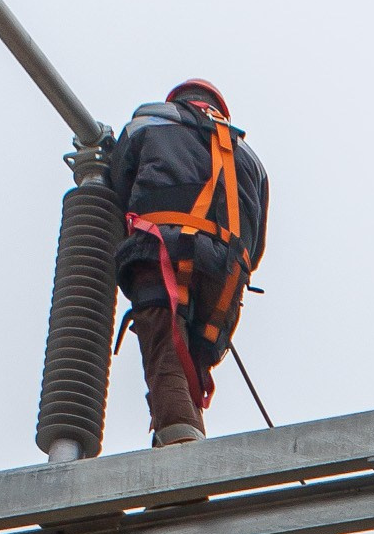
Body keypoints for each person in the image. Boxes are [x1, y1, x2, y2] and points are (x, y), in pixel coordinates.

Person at [108, 80, 270, 445]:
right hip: (226, 275)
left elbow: (115, 189)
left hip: (160, 249)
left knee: (164, 344)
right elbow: (255, 245)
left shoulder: (145, 123)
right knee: (190, 364)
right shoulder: (250, 159)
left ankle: (180, 448)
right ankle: (176, 459)